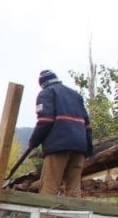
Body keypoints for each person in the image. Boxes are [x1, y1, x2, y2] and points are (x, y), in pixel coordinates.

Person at [28, 69, 93, 197]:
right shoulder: (75, 95)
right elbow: (87, 125)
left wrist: (33, 142)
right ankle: (75, 217)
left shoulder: (46, 93)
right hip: (80, 147)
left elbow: (45, 121)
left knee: (49, 187)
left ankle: (45, 216)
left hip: (58, 145)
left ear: (42, 83)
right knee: (73, 190)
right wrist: (88, 148)